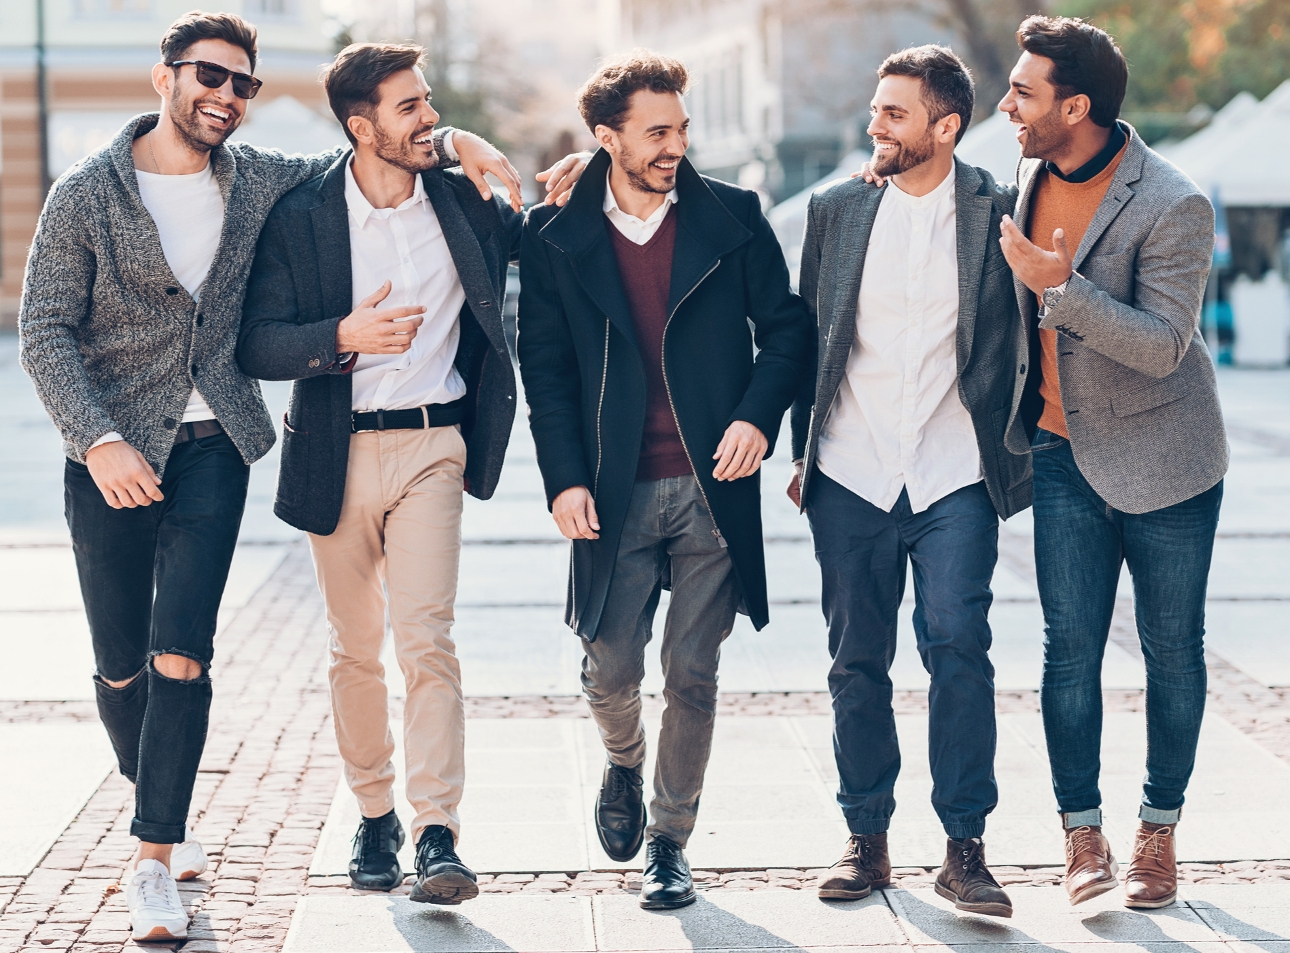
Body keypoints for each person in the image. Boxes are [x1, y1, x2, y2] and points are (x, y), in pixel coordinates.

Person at [17, 12, 536, 942]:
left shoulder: (261, 182)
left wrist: (456, 136)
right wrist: (97, 437)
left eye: (242, 85)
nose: (226, 96)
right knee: (119, 667)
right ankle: (163, 805)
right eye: (209, 77)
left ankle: (154, 857)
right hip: (107, 456)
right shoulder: (86, 193)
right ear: (164, 77)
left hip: (217, 444)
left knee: (185, 651)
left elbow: (369, 154)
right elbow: (46, 328)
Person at [237, 42, 589, 907]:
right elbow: (257, 342)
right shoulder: (303, 215)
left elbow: (543, 235)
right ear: (363, 127)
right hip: (337, 448)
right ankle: (373, 812)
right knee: (355, 649)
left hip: (435, 443)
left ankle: (438, 830)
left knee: (427, 639)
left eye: (429, 101)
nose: (428, 116)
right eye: (411, 107)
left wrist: (590, 170)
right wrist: (342, 339)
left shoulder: (460, 198)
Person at [517, 51, 812, 911]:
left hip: (713, 488)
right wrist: (564, 478)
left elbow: (788, 331)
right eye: (656, 131)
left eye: (682, 129)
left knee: (692, 670)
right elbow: (546, 367)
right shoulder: (555, 235)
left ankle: (669, 840)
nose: (675, 145)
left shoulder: (733, 216)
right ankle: (622, 762)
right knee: (610, 669)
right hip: (611, 491)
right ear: (606, 137)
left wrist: (758, 417)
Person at [789, 46, 1032, 918]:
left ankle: (965, 848)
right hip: (850, 470)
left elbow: (1023, 337)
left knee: (958, 644)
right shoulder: (836, 208)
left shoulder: (998, 212)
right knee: (857, 661)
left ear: (946, 125)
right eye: (876, 109)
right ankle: (867, 836)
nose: (875, 125)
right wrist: (799, 453)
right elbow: (809, 335)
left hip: (954, 471)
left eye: (895, 112)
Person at [996, 16, 1226, 909]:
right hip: (1061, 451)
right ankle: (1081, 833)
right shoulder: (1020, 176)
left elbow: (1166, 343)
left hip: (1168, 461)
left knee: (1172, 653)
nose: (1008, 104)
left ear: (1076, 106)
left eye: (1023, 92)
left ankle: (1157, 830)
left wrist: (1059, 289)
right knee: (1069, 651)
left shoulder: (1174, 202)